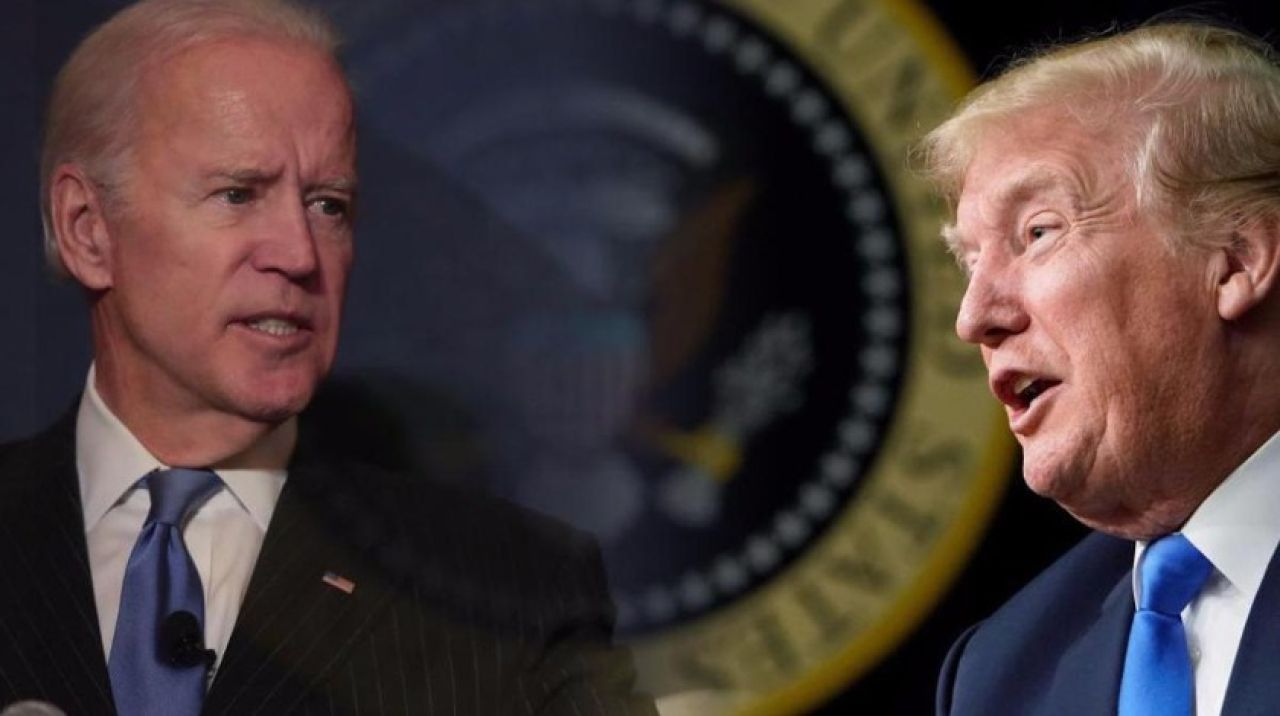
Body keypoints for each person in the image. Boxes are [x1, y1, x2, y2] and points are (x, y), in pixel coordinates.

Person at [0, 1, 657, 714]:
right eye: (238, 194)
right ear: (87, 230)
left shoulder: (516, 597)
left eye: (328, 205)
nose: (299, 253)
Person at [922, 21, 1280, 716]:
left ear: (1237, 259)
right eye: (970, 262)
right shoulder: (1000, 674)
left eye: (1038, 233)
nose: (973, 318)